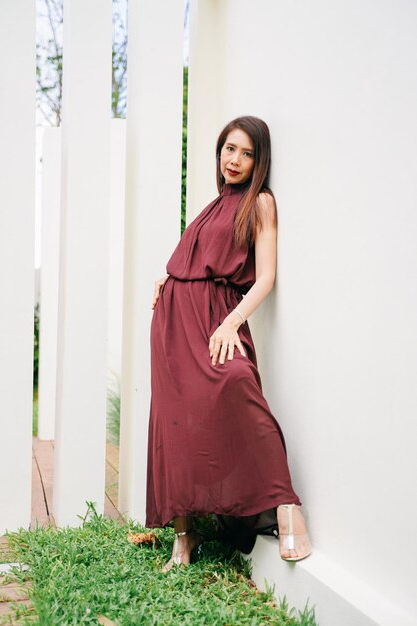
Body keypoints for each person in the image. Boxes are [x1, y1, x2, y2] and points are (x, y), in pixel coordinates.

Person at [146, 115, 312, 572]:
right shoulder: (215, 204)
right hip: (174, 323)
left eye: (246, 153)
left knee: (238, 386)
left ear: (260, 161)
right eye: (228, 149)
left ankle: (284, 503)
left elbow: (267, 277)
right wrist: (170, 277)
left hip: (216, 318)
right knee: (175, 421)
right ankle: (184, 536)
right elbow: (196, 260)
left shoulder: (260, 203)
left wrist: (230, 323)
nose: (234, 160)